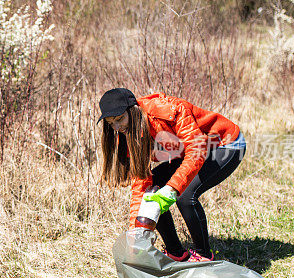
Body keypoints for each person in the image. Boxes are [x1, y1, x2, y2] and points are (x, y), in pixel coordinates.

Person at [97, 88, 246, 262]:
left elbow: (196, 150)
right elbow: (140, 183)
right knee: (151, 193)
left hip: (225, 145)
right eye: (111, 123)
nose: (117, 127)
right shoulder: (129, 132)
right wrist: (134, 236)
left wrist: (173, 188)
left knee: (185, 195)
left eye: (119, 119)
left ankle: (204, 255)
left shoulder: (167, 111)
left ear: (132, 110)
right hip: (197, 151)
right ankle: (176, 252)